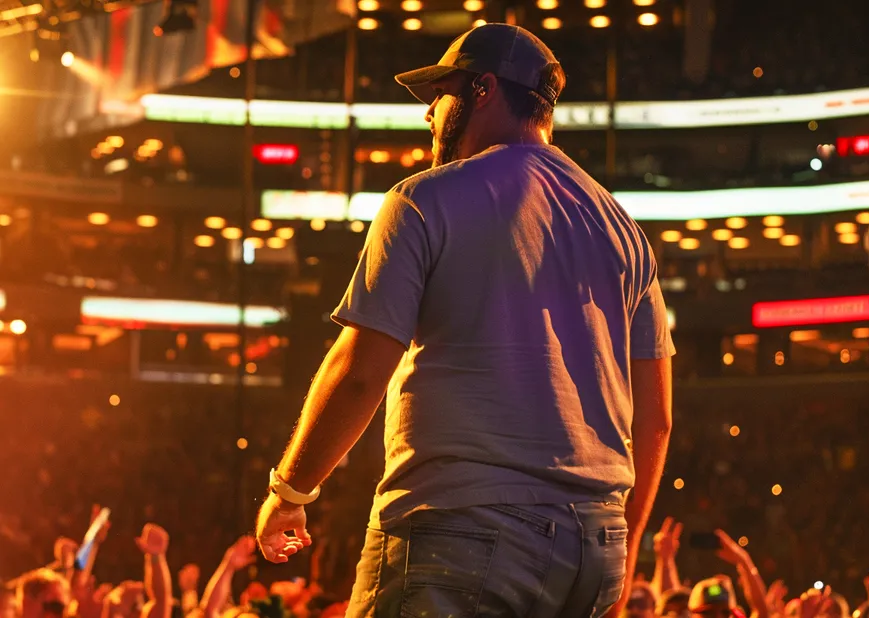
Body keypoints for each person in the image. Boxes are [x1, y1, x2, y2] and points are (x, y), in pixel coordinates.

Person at [255, 22, 675, 618]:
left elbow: (360, 373)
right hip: (595, 549)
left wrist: (291, 491)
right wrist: (622, 548)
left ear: (482, 89)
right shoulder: (622, 229)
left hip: (459, 529)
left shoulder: (423, 200)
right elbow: (655, 420)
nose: (429, 113)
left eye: (440, 94)